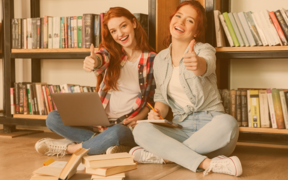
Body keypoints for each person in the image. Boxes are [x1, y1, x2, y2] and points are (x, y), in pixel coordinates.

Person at [129, 1, 242, 177]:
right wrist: (157, 113)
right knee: (141, 129)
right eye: (178, 16)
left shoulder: (204, 50)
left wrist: (197, 64)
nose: (181, 23)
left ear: (196, 31)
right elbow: (162, 99)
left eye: (189, 21)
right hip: (181, 128)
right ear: (171, 20)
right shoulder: (160, 59)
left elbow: (207, 65)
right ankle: (207, 163)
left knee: (229, 123)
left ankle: (166, 156)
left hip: (212, 128)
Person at [35, 7, 156, 157]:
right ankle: (103, 145)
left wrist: (138, 118)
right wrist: (93, 61)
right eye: (114, 31)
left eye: (123, 26)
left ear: (134, 23)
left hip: (124, 126)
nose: (120, 34)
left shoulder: (152, 59)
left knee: (117, 133)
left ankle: (70, 148)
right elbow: (100, 57)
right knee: (53, 118)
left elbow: (152, 99)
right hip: (99, 122)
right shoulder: (112, 54)